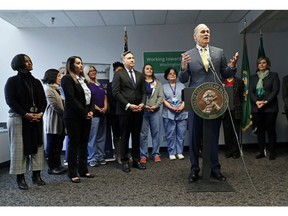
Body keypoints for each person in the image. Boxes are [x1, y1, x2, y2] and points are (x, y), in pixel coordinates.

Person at [179, 23, 239, 182]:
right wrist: (183, 68)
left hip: (214, 100)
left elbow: (225, 74)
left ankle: (215, 168)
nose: (206, 34)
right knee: (194, 137)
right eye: (202, 32)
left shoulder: (218, 52)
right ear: (195, 36)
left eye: (208, 31)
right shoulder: (188, 55)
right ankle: (194, 169)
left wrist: (232, 66)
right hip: (195, 101)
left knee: (213, 136)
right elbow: (183, 79)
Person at [4, 54, 47, 190]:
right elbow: (10, 101)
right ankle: (20, 178)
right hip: (18, 118)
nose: (30, 63)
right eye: (26, 61)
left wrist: (39, 113)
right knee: (19, 149)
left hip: (36, 118)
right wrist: (26, 114)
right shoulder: (12, 81)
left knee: (38, 147)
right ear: (19, 63)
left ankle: (36, 175)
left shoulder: (37, 82)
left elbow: (43, 101)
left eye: (30, 61)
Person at [61, 56, 95, 183]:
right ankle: (72, 172)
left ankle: (83, 170)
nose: (81, 66)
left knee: (84, 143)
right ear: (71, 65)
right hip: (73, 116)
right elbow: (71, 98)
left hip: (86, 115)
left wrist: (91, 110)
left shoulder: (84, 80)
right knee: (74, 144)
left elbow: (91, 98)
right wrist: (84, 113)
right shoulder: (67, 79)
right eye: (78, 63)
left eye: (81, 63)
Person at [112, 50, 146, 173]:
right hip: (124, 111)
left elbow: (144, 92)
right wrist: (128, 105)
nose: (132, 60)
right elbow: (116, 93)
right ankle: (125, 161)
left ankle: (136, 160)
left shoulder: (139, 75)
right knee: (125, 136)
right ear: (123, 61)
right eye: (129, 58)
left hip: (138, 110)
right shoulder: (119, 74)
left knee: (136, 136)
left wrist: (142, 103)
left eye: (133, 58)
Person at [250, 56, 280, 160]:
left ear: (268, 64)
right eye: (259, 63)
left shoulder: (274, 76)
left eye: (264, 62)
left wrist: (266, 101)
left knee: (271, 130)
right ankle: (261, 151)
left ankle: (272, 152)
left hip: (270, 108)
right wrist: (257, 101)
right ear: (257, 65)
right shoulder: (253, 77)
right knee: (260, 130)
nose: (261, 64)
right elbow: (251, 92)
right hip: (257, 107)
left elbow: (275, 90)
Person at [42, 68, 67, 175]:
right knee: (51, 146)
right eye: (58, 76)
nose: (60, 78)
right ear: (52, 77)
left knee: (58, 145)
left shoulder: (58, 89)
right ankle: (51, 167)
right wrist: (68, 113)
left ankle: (58, 165)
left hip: (61, 121)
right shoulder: (48, 89)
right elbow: (55, 106)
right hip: (53, 121)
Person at [139, 64, 164, 164]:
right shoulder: (140, 83)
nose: (149, 70)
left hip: (155, 111)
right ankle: (143, 155)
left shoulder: (158, 83)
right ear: (143, 70)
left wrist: (156, 106)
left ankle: (156, 154)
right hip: (143, 111)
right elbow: (138, 96)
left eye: (151, 68)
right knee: (143, 134)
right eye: (147, 68)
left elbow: (160, 96)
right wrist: (144, 106)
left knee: (156, 133)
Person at [84, 65, 108, 167]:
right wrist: (97, 108)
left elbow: (105, 97)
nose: (93, 72)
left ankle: (100, 156)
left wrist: (105, 107)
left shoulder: (99, 84)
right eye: (90, 71)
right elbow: (87, 100)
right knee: (92, 137)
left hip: (103, 113)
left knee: (101, 137)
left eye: (94, 70)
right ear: (87, 73)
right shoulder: (86, 84)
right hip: (94, 114)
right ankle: (92, 158)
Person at [162, 67, 188, 160]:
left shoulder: (182, 85)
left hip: (182, 112)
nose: (172, 75)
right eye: (170, 73)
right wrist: (172, 107)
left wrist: (181, 107)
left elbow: (186, 98)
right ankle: (172, 152)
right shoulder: (163, 86)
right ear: (166, 76)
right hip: (169, 113)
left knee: (181, 134)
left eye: (174, 73)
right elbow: (163, 100)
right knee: (170, 134)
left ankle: (179, 152)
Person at [222, 75, 244, 159]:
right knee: (227, 131)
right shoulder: (221, 81)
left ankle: (236, 151)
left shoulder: (239, 81)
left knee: (235, 131)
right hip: (225, 110)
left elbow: (241, 95)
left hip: (236, 109)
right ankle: (228, 151)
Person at [107, 61, 124, 164]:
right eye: (117, 71)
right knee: (117, 135)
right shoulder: (110, 85)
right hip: (115, 114)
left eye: (121, 71)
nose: (119, 73)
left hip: (125, 114)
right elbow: (111, 100)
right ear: (114, 72)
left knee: (125, 134)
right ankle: (118, 155)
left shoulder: (127, 85)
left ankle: (124, 154)